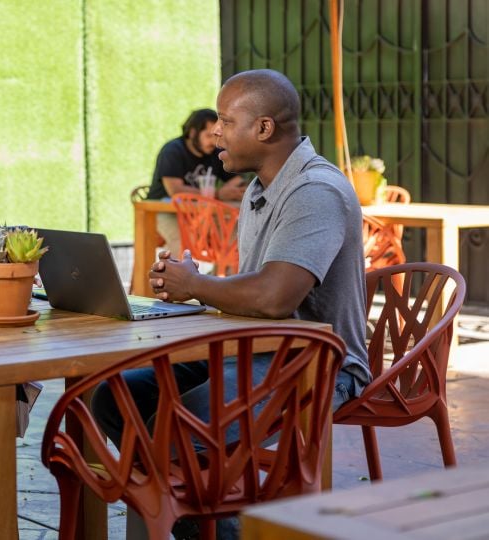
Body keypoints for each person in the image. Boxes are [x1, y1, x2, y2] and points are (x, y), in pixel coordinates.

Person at [92, 70, 370, 540]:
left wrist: (198, 285)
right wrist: (194, 284)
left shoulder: (314, 191)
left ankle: (206, 525)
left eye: (225, 120)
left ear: (263, 128)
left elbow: (274, 296)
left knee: (176, 426)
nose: (214, 131)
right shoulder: (261, 187)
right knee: (116, 398)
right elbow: (256, 287)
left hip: (314, 364)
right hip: (255, 349)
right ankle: (204, 521)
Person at [146, 108, 248, 257]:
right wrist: (219, 194)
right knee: (183, 241)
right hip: (162, 210)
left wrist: (232, 190)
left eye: (215, 136)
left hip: (198, 212)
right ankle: (180, 278)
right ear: (193, 133)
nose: (213, 142)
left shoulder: (215, 153)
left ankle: (219, 278)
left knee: (234, 232)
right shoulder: (173, 151)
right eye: (208, 136)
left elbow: (238, 179)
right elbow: (175, 190)